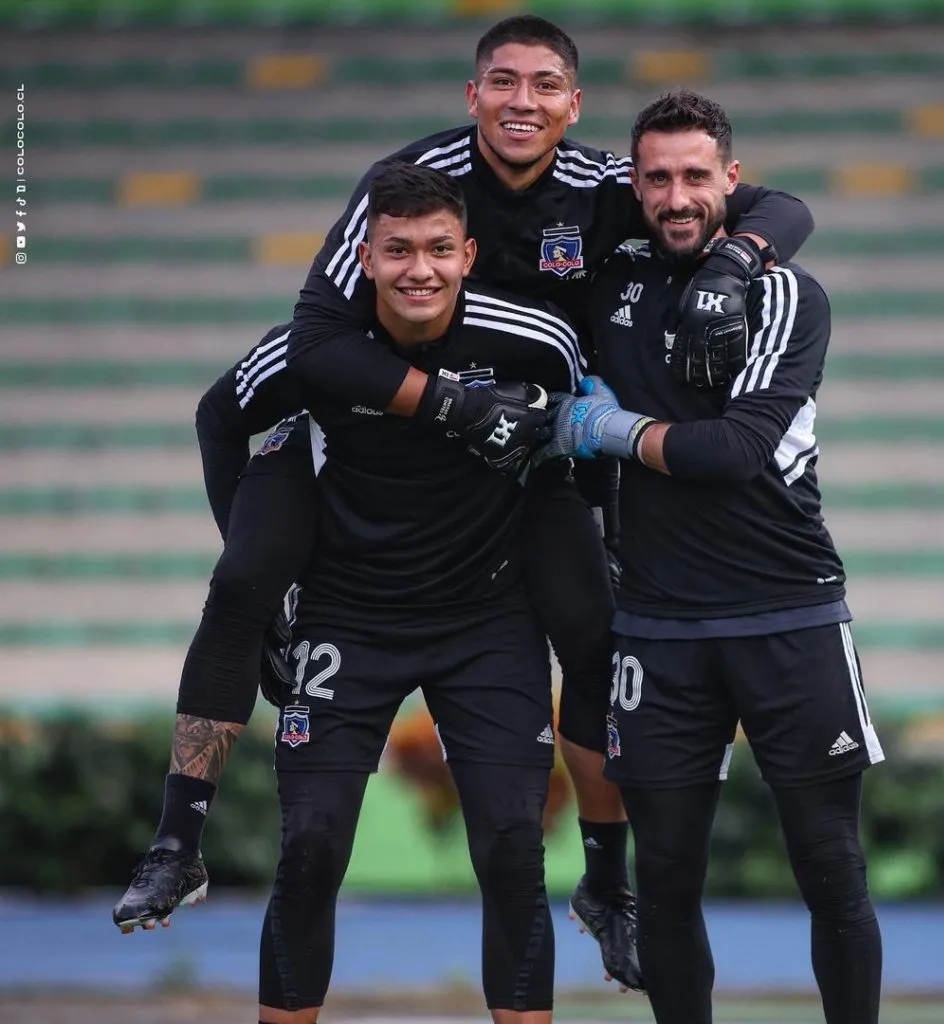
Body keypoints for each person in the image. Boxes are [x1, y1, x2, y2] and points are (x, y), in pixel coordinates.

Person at [115, 15, 815, 990]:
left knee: (591, 627)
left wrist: (736, 266)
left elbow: (775, 204)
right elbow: (311, 341)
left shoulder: (602, 196)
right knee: (241, 581)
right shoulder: (404, 180)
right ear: (471, 96)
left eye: (543, 86)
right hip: (363, 438)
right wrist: (444, 400)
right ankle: (176, 837)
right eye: (502, 83)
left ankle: (605, 882)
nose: (521, 102)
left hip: (514, 460)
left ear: (572, 105)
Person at [538, 88, 885, 1024]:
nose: (678, 195)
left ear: (733, 179)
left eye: (698, 175)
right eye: (658, 178)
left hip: (792, 612)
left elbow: (732, 452)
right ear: (634, 185)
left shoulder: (784, 293)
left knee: (831, 871)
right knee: (669, 882)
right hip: (656, 626)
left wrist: (608, 428)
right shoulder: (605, 280)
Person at [257, 162, 580, 1023]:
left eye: (439, 249)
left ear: (469, 254)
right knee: (313, 845)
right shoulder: (321, 350)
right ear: (364, 258)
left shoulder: (537, 341)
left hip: (488, 619)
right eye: (397, 250)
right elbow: (223, 415)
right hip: (347, 616)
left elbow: (575, 468)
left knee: (514, 848)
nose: (420, 269)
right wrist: (256, 573)